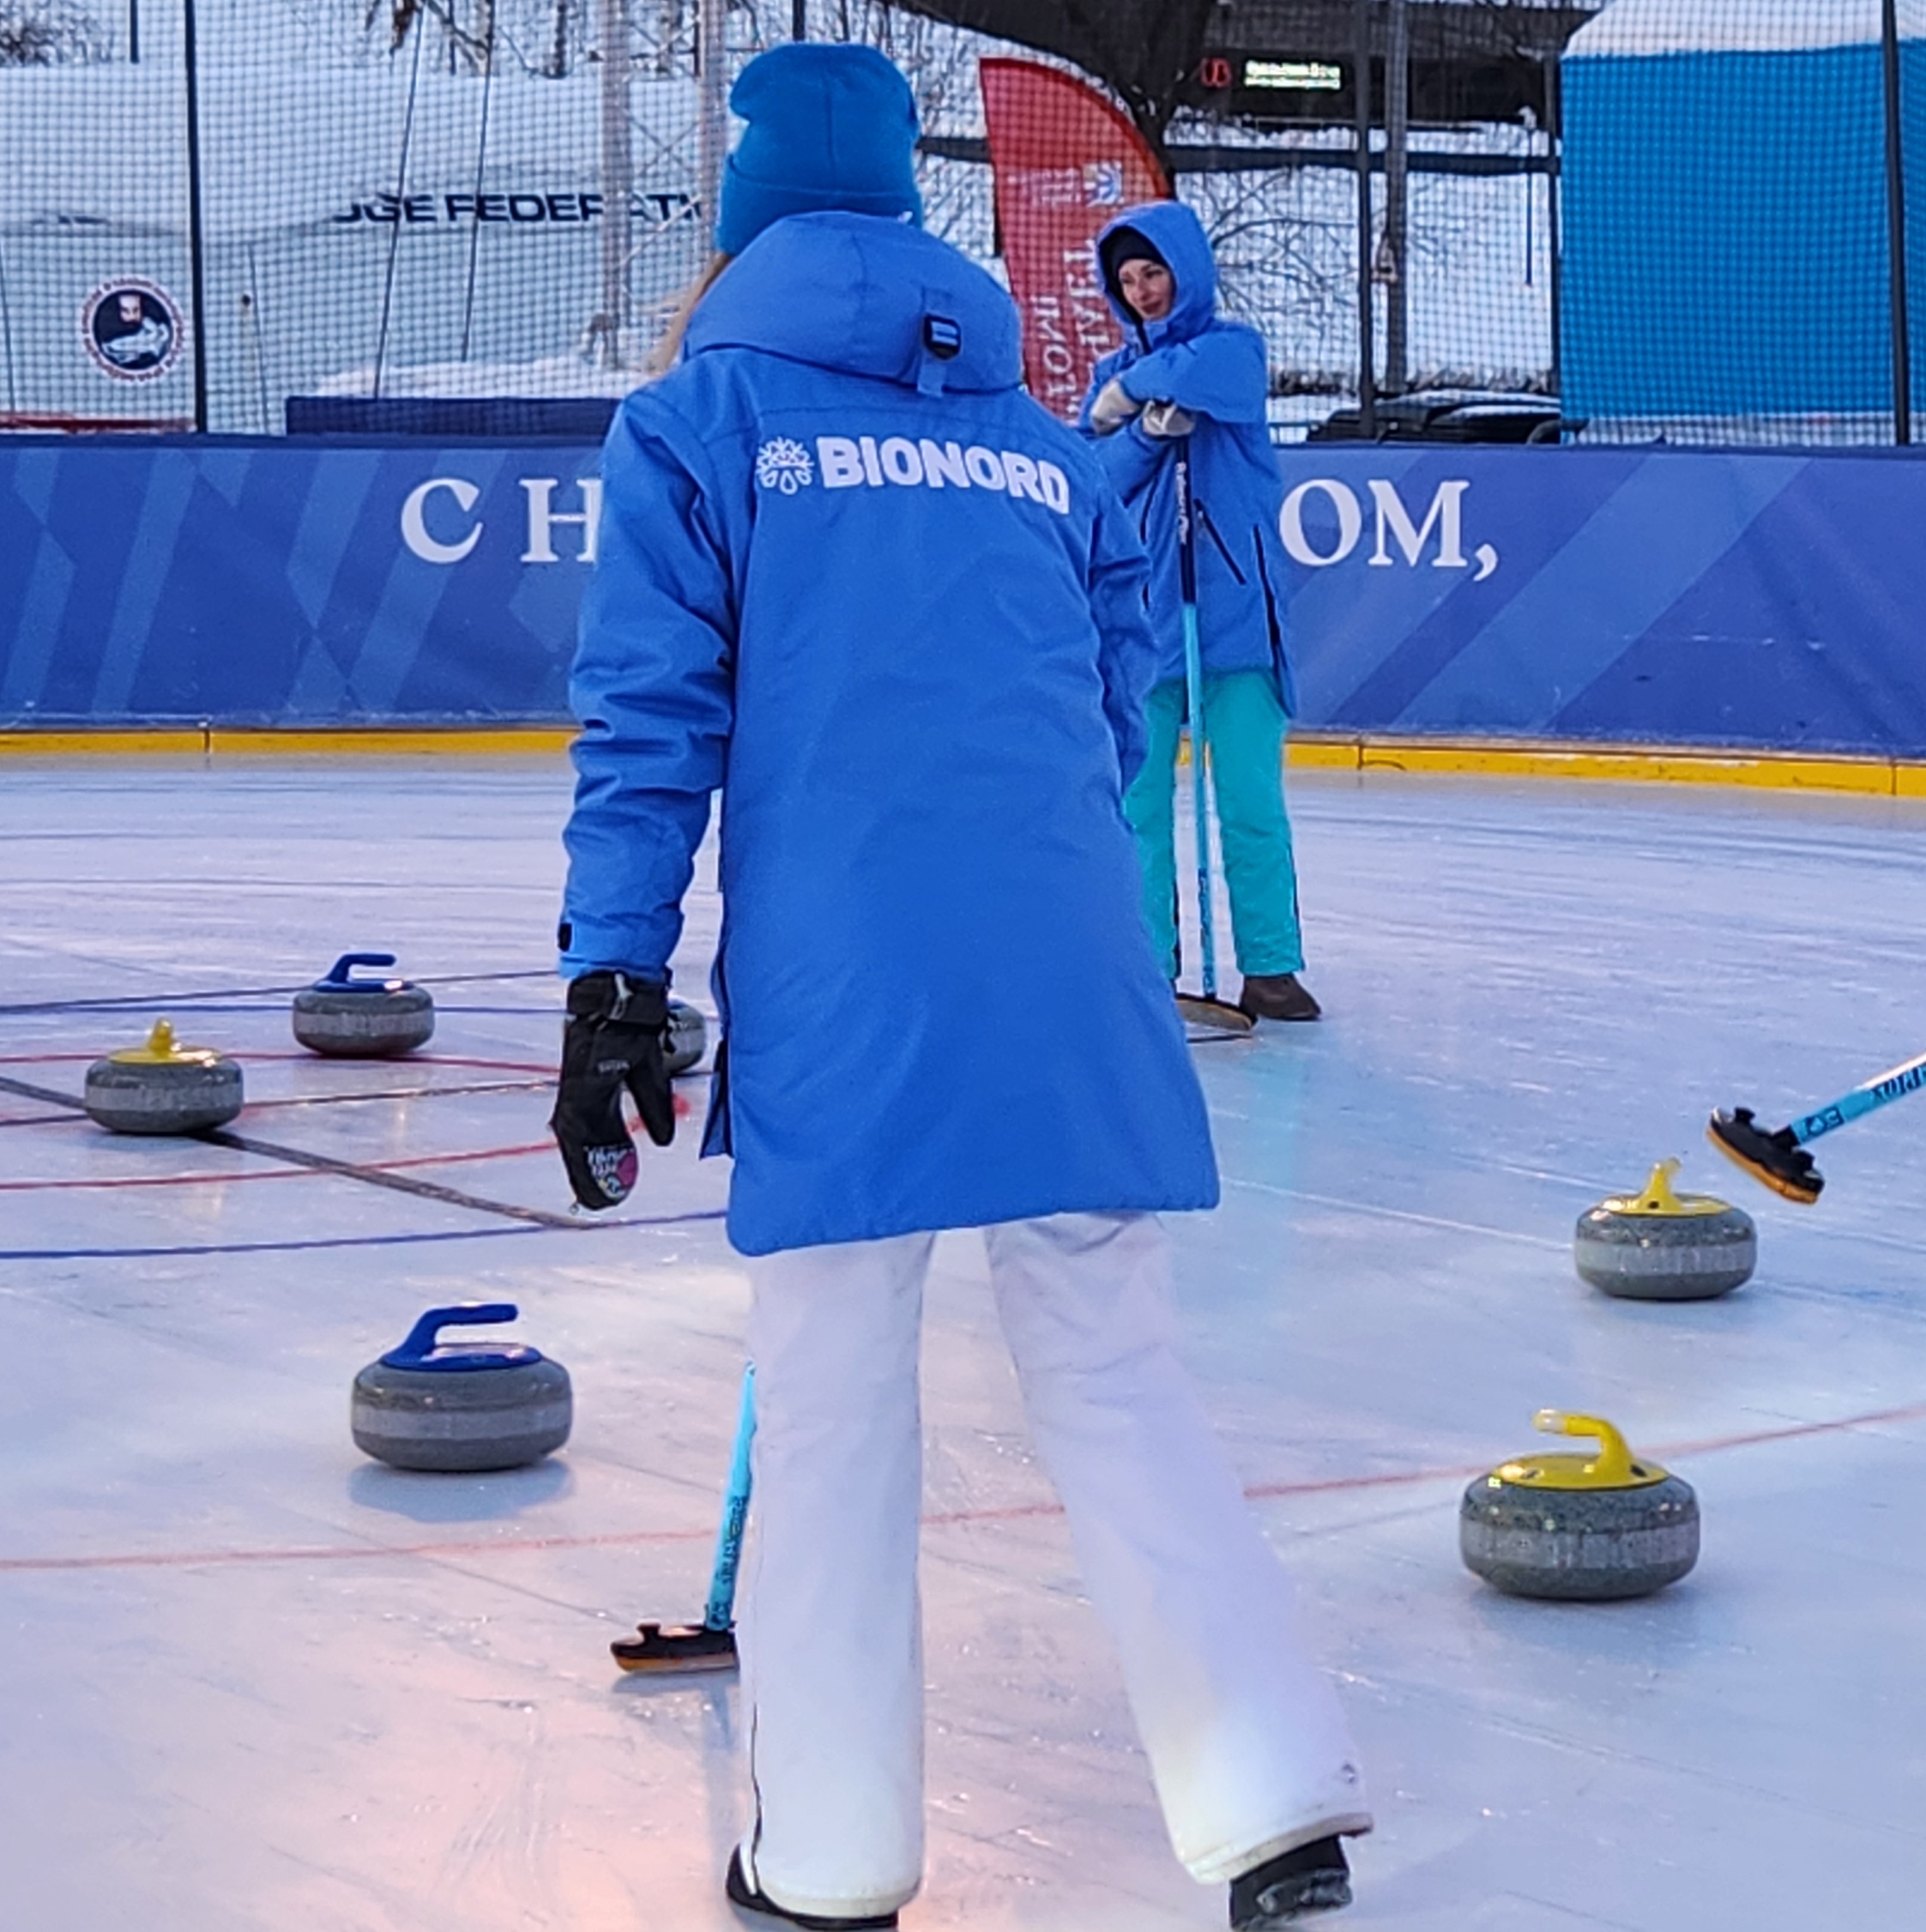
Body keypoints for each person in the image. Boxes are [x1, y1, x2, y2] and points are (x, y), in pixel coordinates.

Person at [549, 45, 1368, 1927]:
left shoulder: (698, 422)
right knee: (1115, 1360)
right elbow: (1103, 689)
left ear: (743, 215)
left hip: (854, 978)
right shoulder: (1028, 433)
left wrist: (613, 977)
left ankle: (830, 1854)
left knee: (835, 1390)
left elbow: (648, 723)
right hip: (1069, 953)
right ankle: (1270, 1798)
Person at [1079, 200, 1320, 1023]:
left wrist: (1134, 390)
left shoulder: (1233, 348)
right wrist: (1146, 434)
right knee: (1140, 805)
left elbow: (1205, 380)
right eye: (1128, 279)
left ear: (1187, 272)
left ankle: (1271, 968)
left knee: (1249, 800)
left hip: (1238, 624)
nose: (1143, 290)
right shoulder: (1106, 374)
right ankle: (1148, 966)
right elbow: (1097, 480)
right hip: (1146, 628)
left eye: (1155, 273)